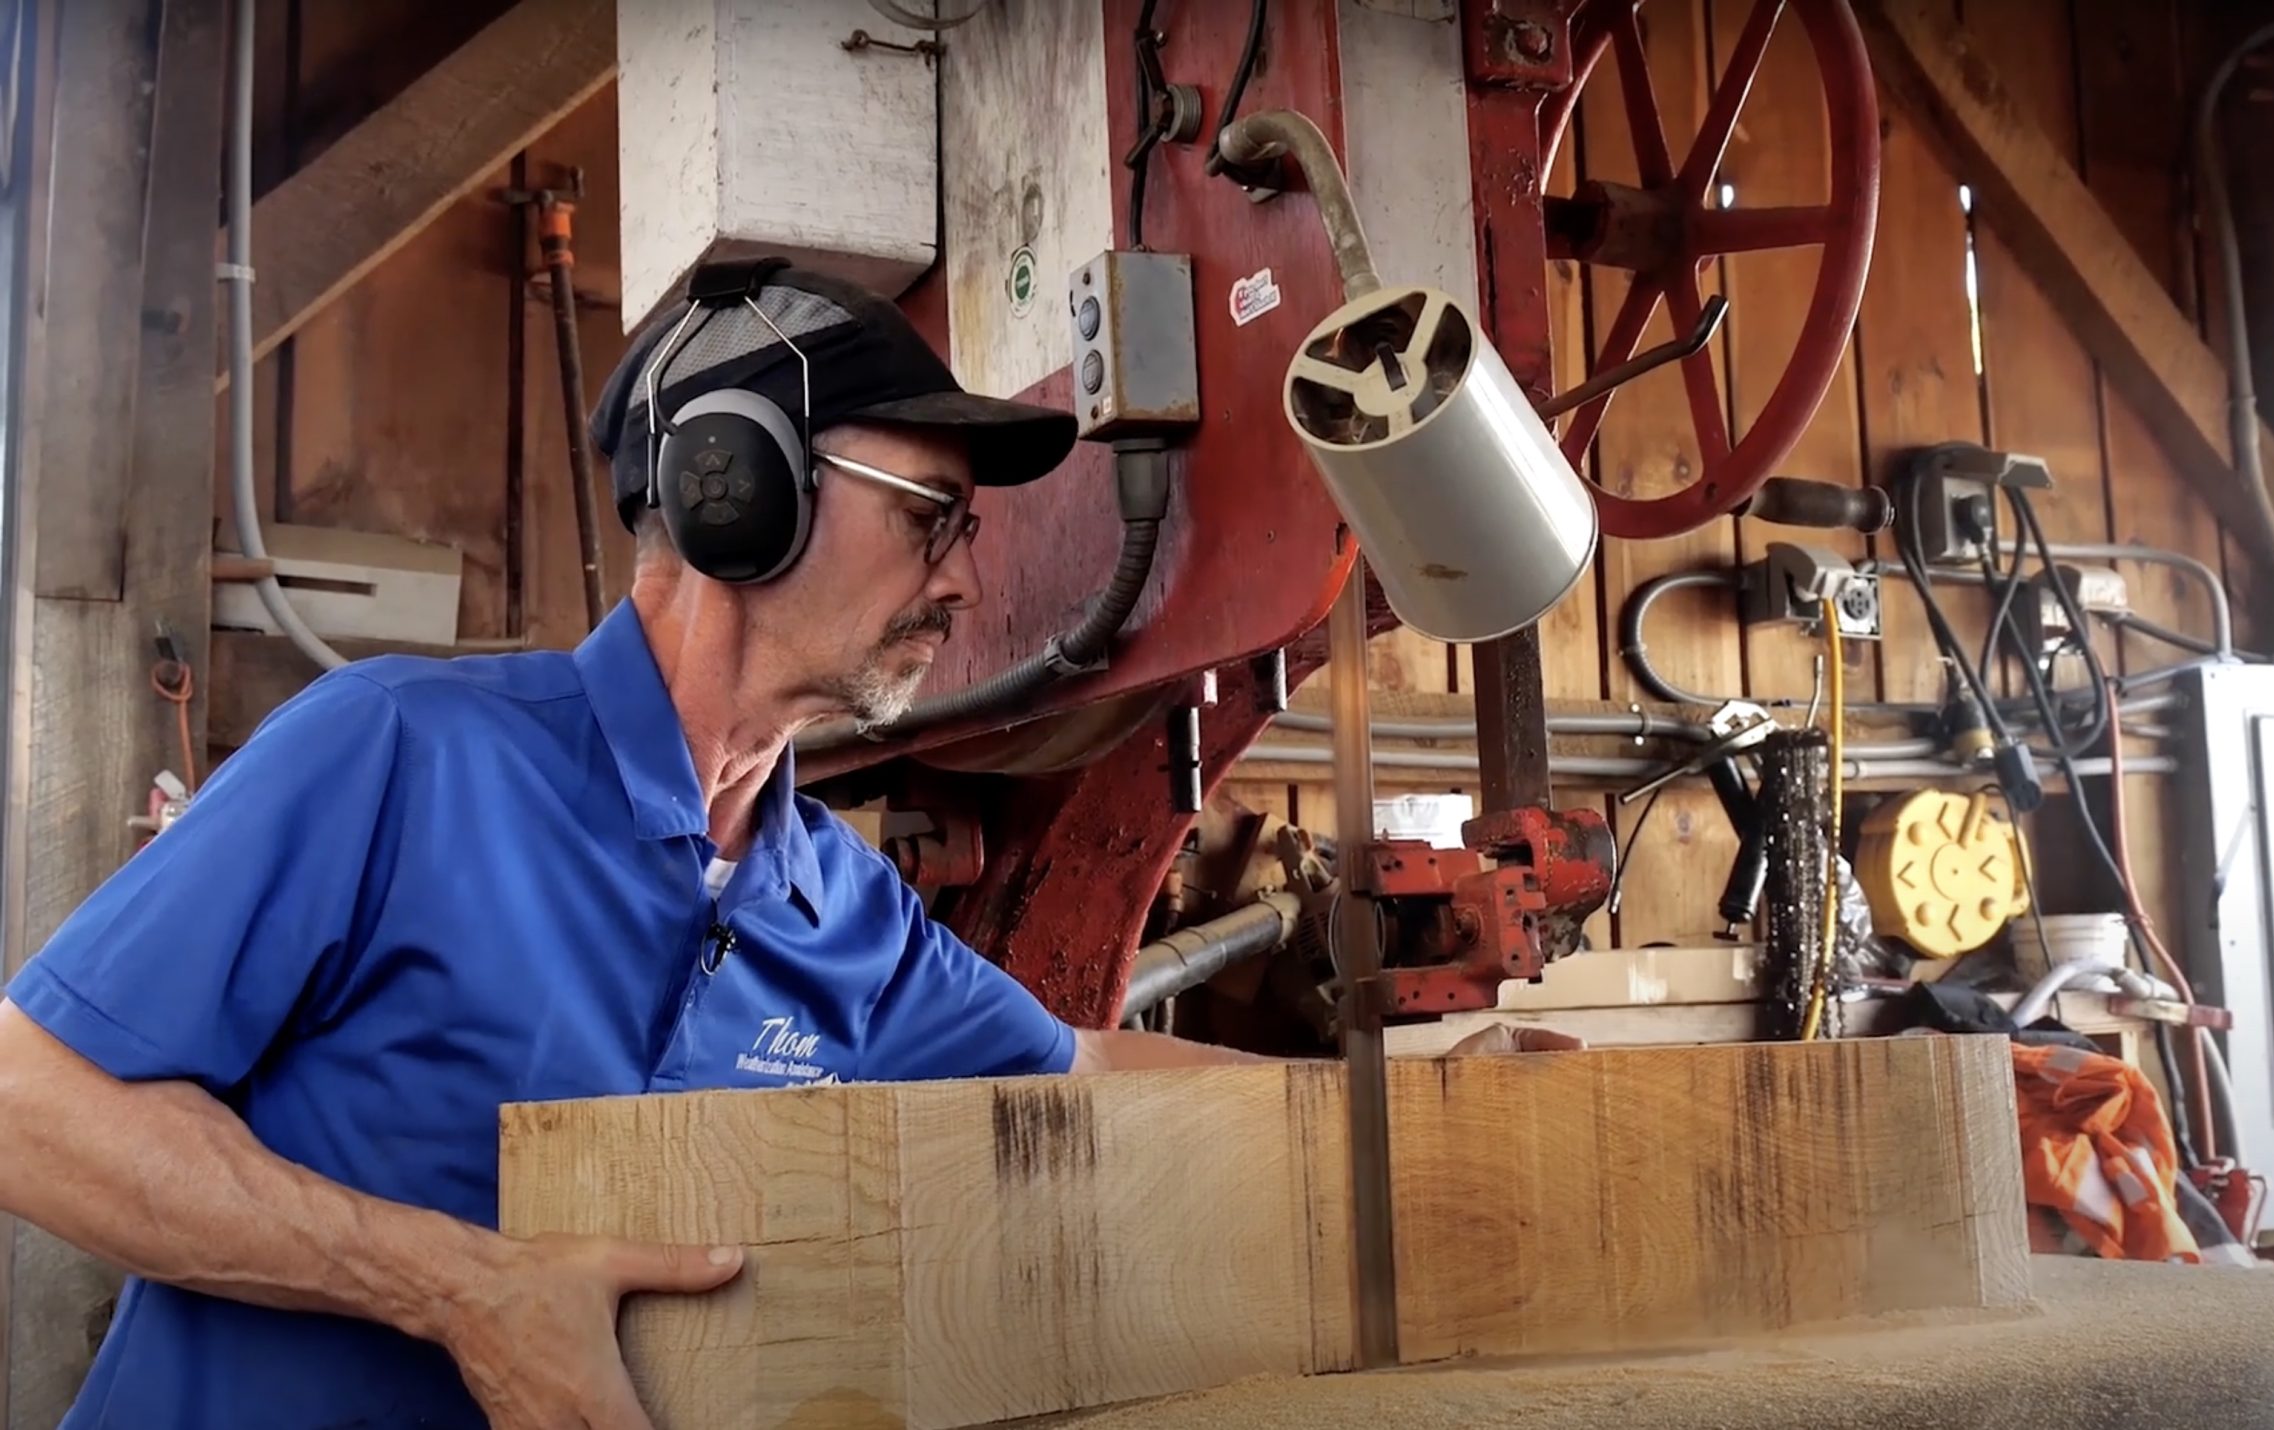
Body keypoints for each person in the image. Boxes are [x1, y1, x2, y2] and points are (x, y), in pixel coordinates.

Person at [0, 259, 1565, 1429]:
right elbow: (27, 1101)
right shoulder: (403, 754)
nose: (965, 580)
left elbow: (1083, 1075)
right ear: (733, 493)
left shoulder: (836, 900)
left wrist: (1413, 1117)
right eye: (934, 514)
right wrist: (455, 1287)